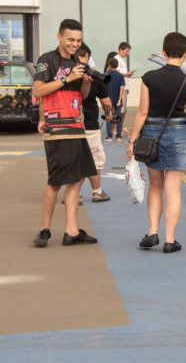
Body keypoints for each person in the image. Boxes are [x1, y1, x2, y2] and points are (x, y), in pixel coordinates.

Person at [127, 32, 186, 253]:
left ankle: (152, 233)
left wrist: (132, 141)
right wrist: (185, 104)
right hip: (179, 132)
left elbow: (142, 112)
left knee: (156, 186)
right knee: (173, 190)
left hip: (152, 132)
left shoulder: (149, 78)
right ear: (185, 54)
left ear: (163, 52)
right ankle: (170, 240)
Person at [31, 18, 98, 247]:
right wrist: (66, 78)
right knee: (56, 181)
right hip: (58, 129)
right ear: (59, 37)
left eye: (78, 40)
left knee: (78, 178)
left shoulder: (78, 60)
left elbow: (83, 95)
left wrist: (86, 82)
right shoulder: (46, 60)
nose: (74, 44)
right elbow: (39, 90)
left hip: (77, 127)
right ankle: (44, 229)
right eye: (70, 39)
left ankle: (71, 231)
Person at [76, 44, 114, 202]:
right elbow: (106, 103)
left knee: (75, 159)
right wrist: (108, 113)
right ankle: (97, 192)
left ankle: (73, 195)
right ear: (86, 56)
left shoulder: (66, 74)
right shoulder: (95, 77)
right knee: (95, 159)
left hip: (69, 124)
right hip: (89, 124)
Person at [104, 57, 126, 141]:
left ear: (109, 65)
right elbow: (122, 88)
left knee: (108, 116)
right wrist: (120, 99)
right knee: (118, 118)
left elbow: (104, 87)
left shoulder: (106, 75)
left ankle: (109, 136)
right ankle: (119, 136)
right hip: (117, 99)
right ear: (117, 65)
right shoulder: (120, 75)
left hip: (108, 99)